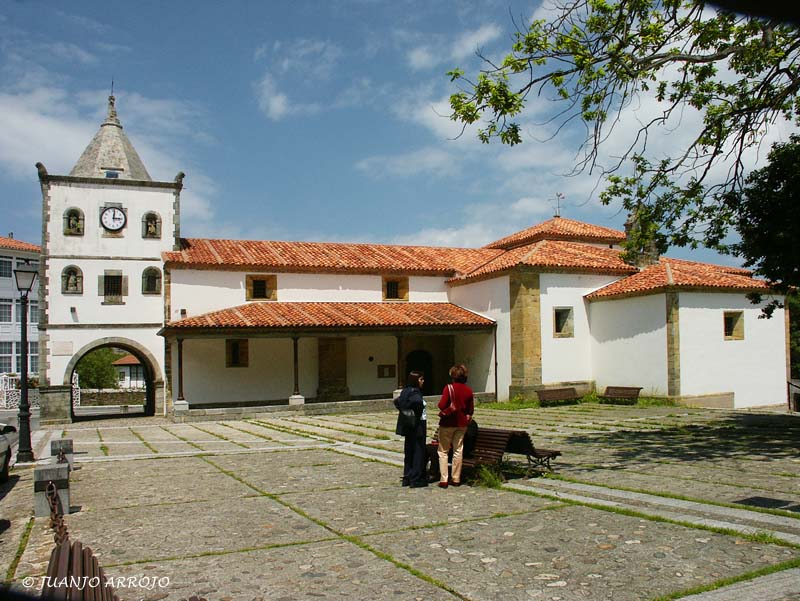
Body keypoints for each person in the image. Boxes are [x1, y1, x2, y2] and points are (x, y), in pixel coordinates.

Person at [436, 364, 474, 488]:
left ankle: (444, 479)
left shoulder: (449, 388)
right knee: (458, 450)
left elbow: (442, 405)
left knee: (443, 451)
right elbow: (471, 409)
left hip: (448, 423)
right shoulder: (468, 390)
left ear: (453, 375)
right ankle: (456, 478)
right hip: (462, 424)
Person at [394, 371, 428, 488]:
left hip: (407, 425)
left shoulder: (405, 391)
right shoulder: (415, 392)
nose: (423, 381)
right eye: (421, 379)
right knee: (418, 451)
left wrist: (404, 409)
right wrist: (415, 410)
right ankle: (416, 478)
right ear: (415, 381)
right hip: (417, 425)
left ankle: (407, 476)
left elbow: (397, 401)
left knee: (409, 451)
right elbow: (417, 401)